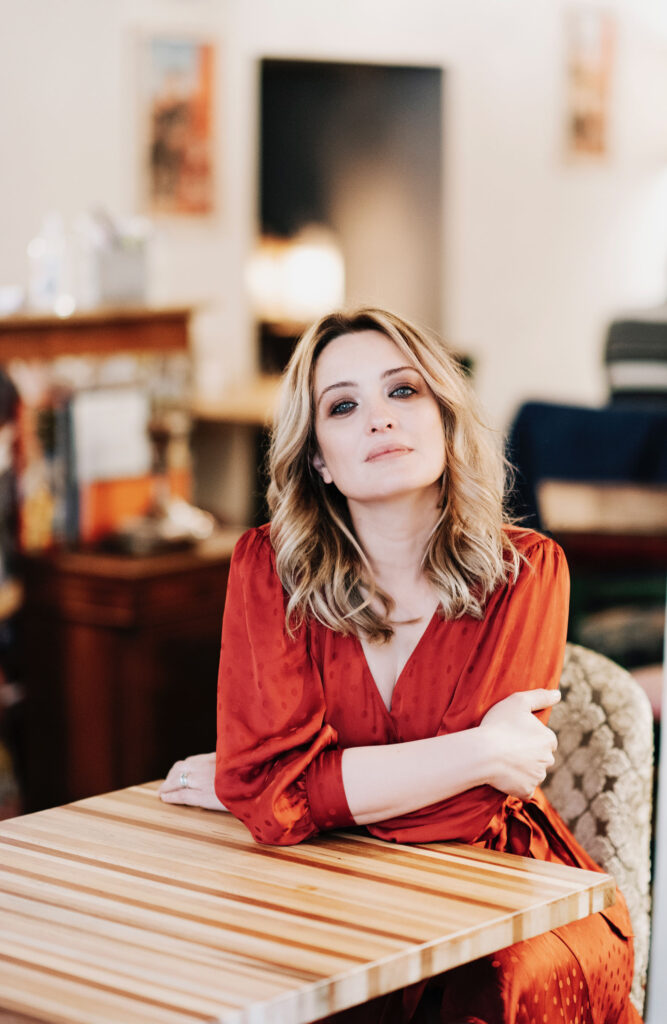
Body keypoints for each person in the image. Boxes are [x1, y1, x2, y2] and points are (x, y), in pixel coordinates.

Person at [160, 308, 639, 1024]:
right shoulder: (267, 567)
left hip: (501, 889)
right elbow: (266, 791)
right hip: (324, 884)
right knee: (219, 968)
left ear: (444, 419)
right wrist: (479, 751)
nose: (379, 417)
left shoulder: (527, 571)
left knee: (485, 988)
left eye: (403, 390)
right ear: (318, 458)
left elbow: (460, 813)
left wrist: (281, 789)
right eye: (343, 406)